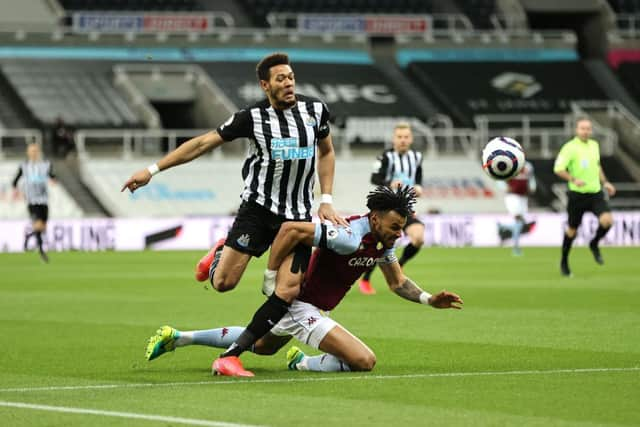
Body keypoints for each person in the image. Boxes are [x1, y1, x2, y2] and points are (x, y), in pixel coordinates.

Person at [122, 52, 345, 371]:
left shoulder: (315, 110)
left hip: (296, 218)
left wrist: (326, 199)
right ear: (265, 85)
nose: (288, 83)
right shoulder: (250, 117)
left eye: (291, 77)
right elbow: (202, 144)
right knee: (224, 283)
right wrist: (152, 169)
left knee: (288, 291)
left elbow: (327, 152)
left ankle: (231, 356)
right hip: (258, 211)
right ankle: (217, 257)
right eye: (280, 79)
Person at [145, 186, 463, 376]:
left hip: (307, 306)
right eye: (395, 226)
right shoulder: (349, 236)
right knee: (364, 361)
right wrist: (272, 276)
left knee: (261, 345)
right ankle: (303, 364)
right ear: (376, 219)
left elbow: (396, 282)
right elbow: (291, 230)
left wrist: (429, 299)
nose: (399, 234)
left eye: (402, 227)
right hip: (300, 303)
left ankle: (179, 337)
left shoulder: (382, 243)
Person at [359, 122, 424, 295]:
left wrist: (418, 187)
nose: (403, 140)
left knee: (418, 237)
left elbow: (418, 177)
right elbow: (374, 178)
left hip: (405, 207)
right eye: (399, 137)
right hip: (386, 209)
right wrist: (389, 183)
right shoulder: (385, 157)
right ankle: (365, 279)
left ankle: (400, 264)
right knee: (379, 245)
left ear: (411, 139)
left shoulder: (417, 157)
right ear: (393, 139)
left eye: (406, 137)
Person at [553, 117, 616, 276]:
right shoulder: (569, 148)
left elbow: (597, 166)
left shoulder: (594, 145)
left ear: (591, 130)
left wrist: (606, 182)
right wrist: (573, 179)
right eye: (582, 128)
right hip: (577, 196)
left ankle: (594, 243)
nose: (586, 131)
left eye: (588, 128)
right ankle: (564, 261)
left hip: (595, 193)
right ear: (576, 130)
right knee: (572, 230)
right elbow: (558, 169)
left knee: (607, 221)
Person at [12, 142, 56, 262]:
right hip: (32, 201)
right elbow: (14, 181)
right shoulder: (24, 166)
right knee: (38, 224)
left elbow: (52, 175)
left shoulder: (46, 165)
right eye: (32, 151)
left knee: (43, 227)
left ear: (39, 152)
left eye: (35, 151)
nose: (34, 153)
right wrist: (17, 192)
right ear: (28, 152)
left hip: (44, 200)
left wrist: (53, 180)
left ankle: (29, 236)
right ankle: (42, 252)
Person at [497, 160, 537, 256]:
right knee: (519, 221)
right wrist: (503, 187)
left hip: (523, 197)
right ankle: (516, 248)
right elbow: (499, 176)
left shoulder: (528, 165)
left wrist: (532, 187)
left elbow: (531, 178)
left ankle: (502, 227)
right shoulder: (508, 164)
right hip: (512, 197)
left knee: (521, 223)